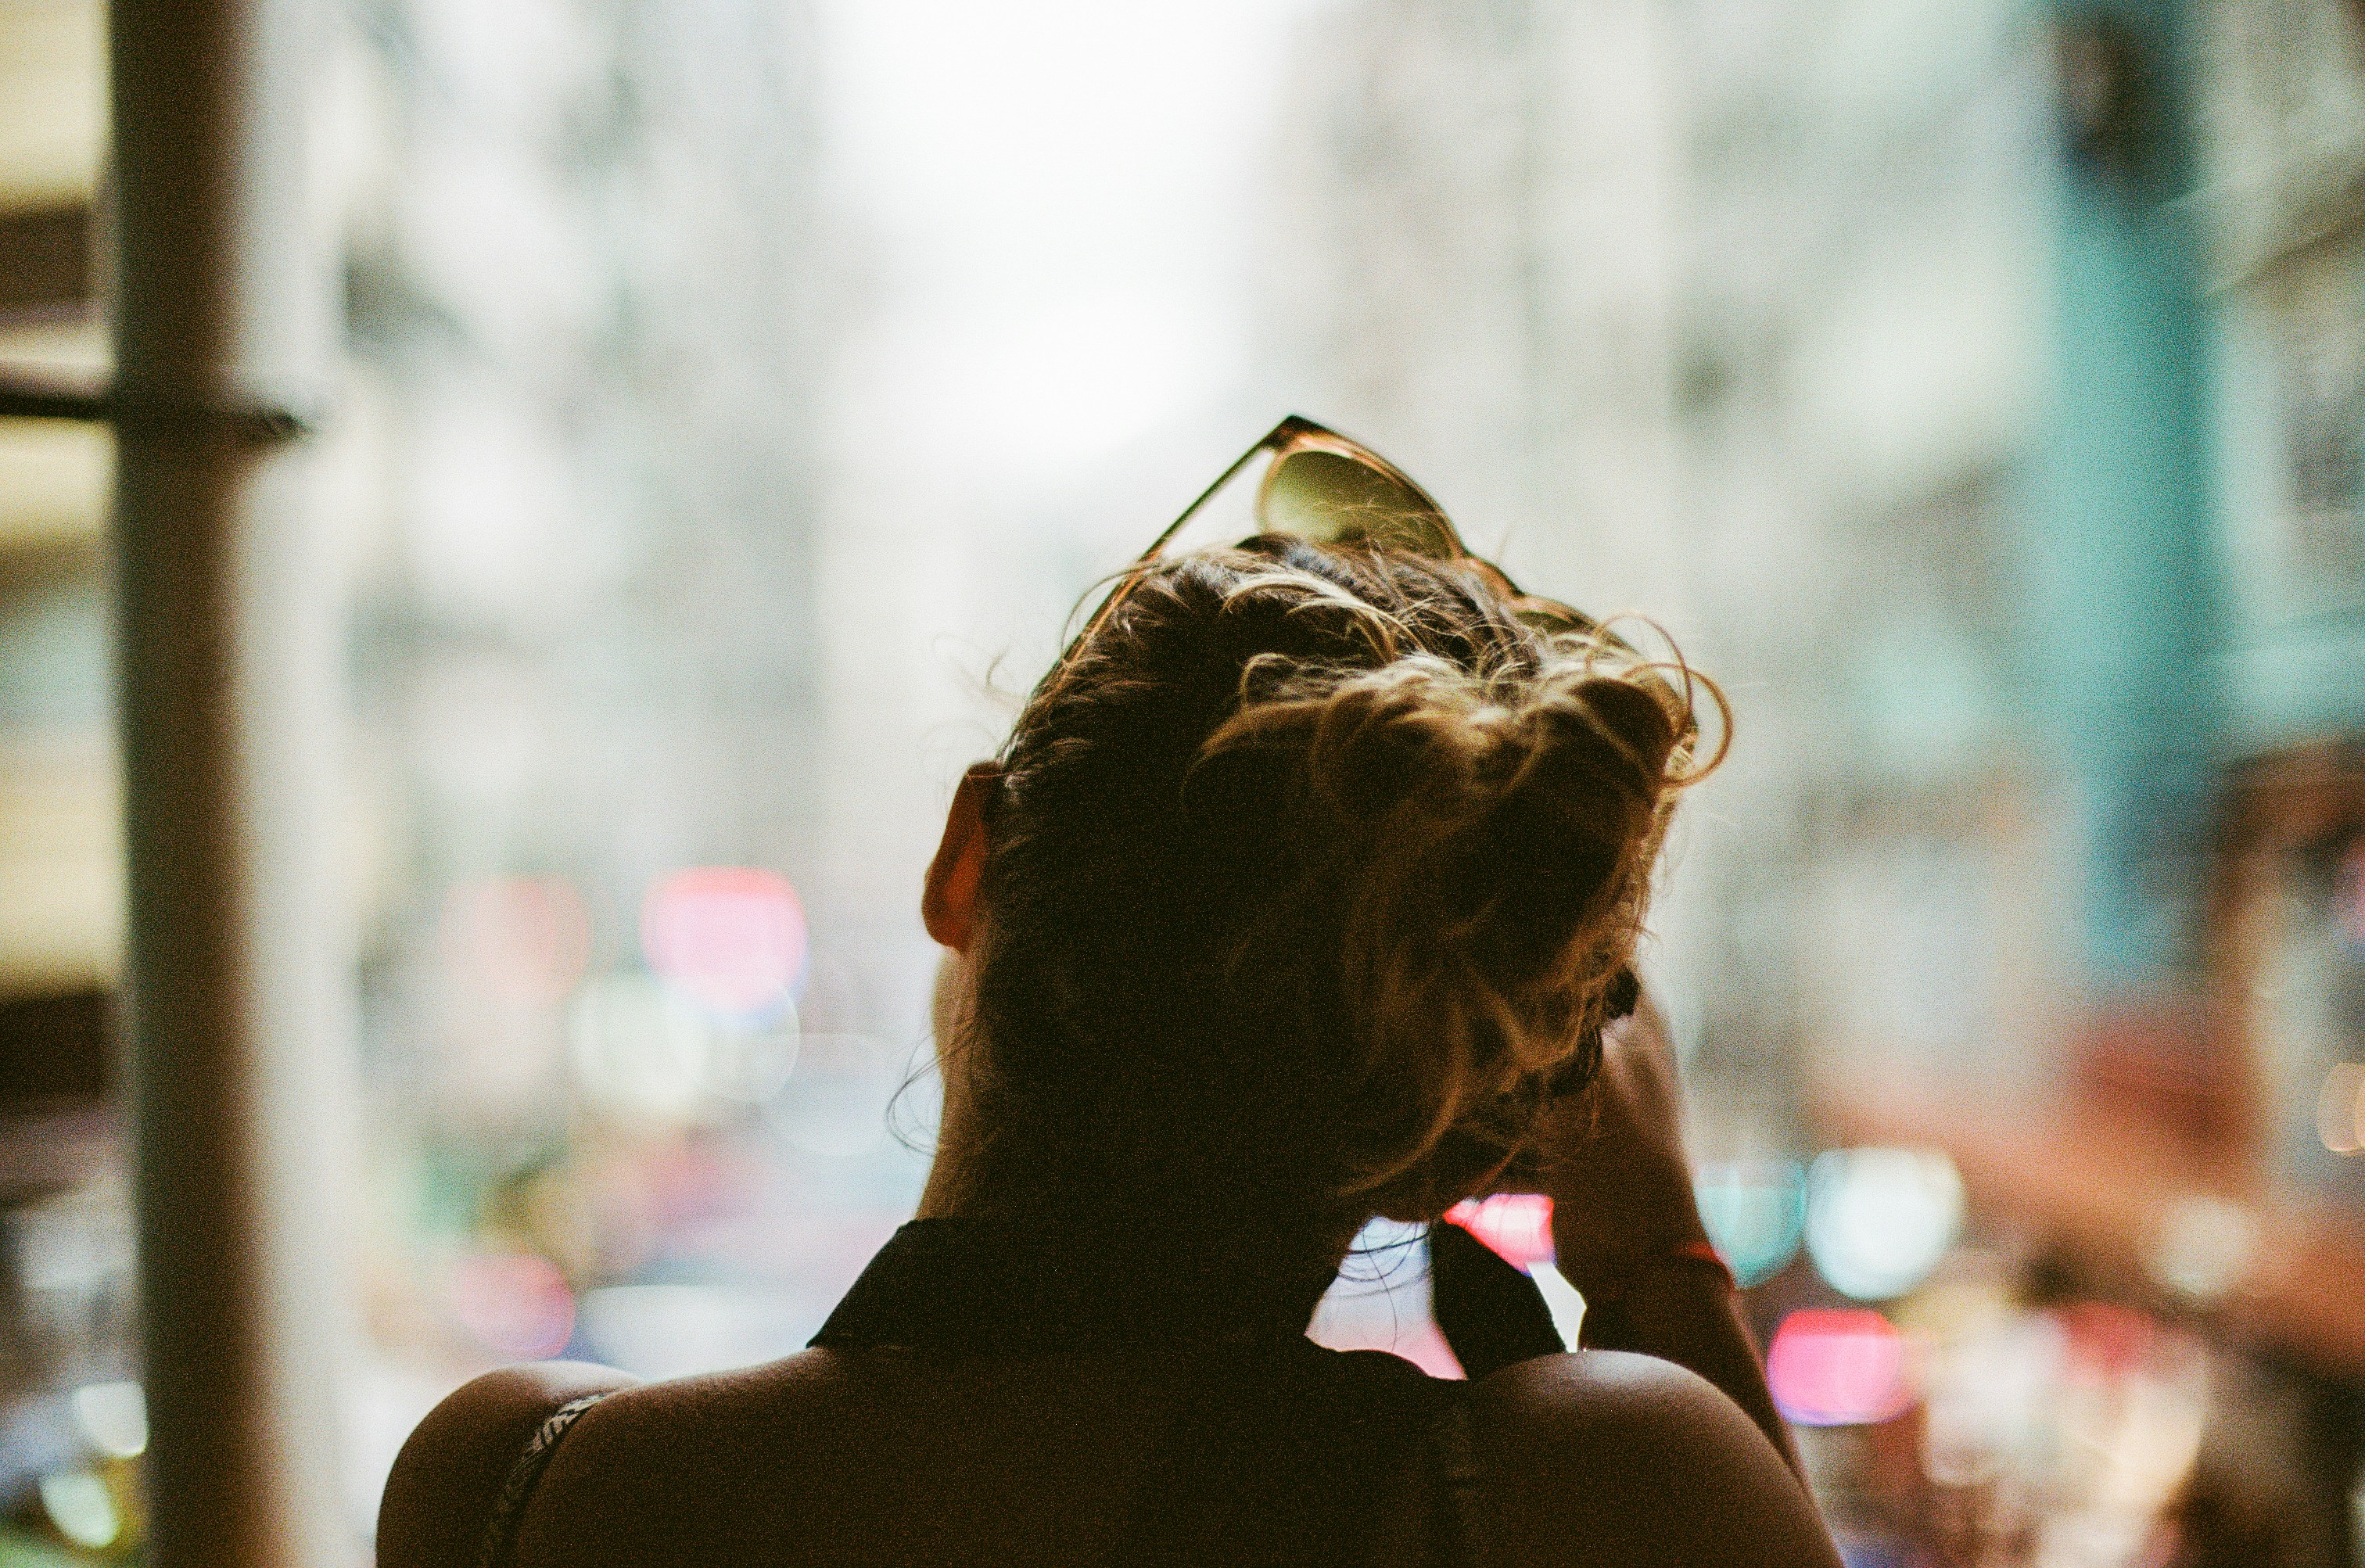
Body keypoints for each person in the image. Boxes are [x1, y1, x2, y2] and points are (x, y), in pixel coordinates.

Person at [379, 419, 1842, 1567]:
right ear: (1466, 1130)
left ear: (965, 860)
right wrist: (1655, 1261)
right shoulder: (1583, 1489)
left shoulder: (516, 1483)